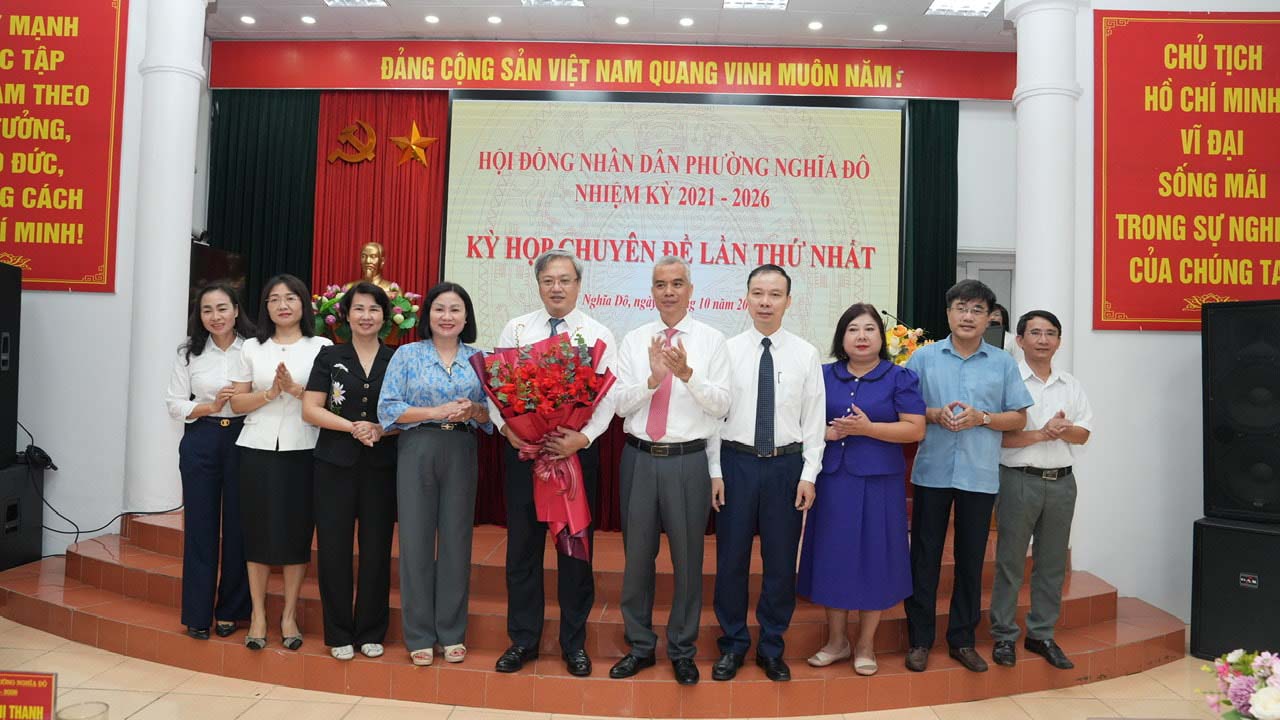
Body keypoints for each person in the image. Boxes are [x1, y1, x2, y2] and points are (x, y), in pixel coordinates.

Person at [489, 249, 616, 677]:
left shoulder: (596, 333)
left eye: (564, 280)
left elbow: (607, 397)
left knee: (574, 555)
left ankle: (573, 645)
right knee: (522, 553)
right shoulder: (517, 328)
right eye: (548, 280)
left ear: (578, 285)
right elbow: (496, 386)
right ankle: (522, 641)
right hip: (524, 457)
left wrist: (582, 437)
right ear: (538, 284)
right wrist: (508, 430)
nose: (556, 288)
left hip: (574, 458)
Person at [610, 256, 731, 686]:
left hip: (687, 462)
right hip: (640, 458)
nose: (668, 291)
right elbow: (619, 405)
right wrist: (652, 378)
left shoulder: (712, 340)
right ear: (652, 291)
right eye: (660, 284)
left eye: (677, 283)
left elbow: (721, 405)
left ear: (690, 290)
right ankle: (640, 646)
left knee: (687, 561)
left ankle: (682, 650)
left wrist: (687, 375)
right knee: (637, 560)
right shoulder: (635, 339)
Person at [902, 279, 1032, 674]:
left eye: (977, 310)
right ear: (948, 313)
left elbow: (1019, 416)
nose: (968, 316)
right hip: (932, 472)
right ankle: (920, 640)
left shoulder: (1003, 362)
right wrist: (933, 413)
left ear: (989, 316)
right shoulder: (924, 360)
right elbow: (905, 408)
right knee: (923, 558)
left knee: (971, 560)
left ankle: (961, 640)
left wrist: (983, 418)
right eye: (961, 308)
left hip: (978, 474)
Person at [706, 265, 824, 683]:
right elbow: (713, 417)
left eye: (775, 294)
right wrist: (715, 471)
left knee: (779, 564)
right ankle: (733, 645)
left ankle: (772, 646)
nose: (765, 302)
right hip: (736, 466)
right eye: (758, 293)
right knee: (731, 561)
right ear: (746, 298)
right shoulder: (727, 349)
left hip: (785, 468)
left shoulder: (806, 354)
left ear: (788, 302)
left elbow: (814, 421)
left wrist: (809, 475)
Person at [797, 303, 925, 676]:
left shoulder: (899, 378)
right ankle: (837, 641)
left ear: (880, 338)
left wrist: (869, 429)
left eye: (869, 329)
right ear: (842, 337)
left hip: (879, 484)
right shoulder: (822, 375)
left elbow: (915, 429)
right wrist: (825, 432)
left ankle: (865, 644)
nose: (862, 336)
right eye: (853, 329)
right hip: (833, 481)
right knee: (832, 559)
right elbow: (800, 422)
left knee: (875, 560)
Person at [378, 281, 491, 666]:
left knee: (458, 542)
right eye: (439, 309)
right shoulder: (407, 355)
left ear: (466, 317)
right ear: (427, 315)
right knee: (415, 542)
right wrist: (435, 412)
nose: (447, 316)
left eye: (455, 310)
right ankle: (420, 635)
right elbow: (388, 408)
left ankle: (452, 633)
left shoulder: (480, 359)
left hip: (461, 449)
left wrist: (474, 412)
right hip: (417, 447)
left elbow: (494, 413)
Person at [229, 274, 331, 651]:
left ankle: (288, 615)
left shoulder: (321, 346)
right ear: (265, 307)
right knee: (255, 532)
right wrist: (271, 392)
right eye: (274, 299)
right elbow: (237, 404)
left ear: (303, 304)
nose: (283, 305)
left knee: (295, 534)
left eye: (290, 298)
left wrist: (295, 390)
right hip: (255, 447)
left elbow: (332, 401)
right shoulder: (251, 348)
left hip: (304, 449)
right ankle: (258, 615)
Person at [990, 310, 1093, 670]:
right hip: (1019, 480)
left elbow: (1084, 434)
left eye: (1051, 333)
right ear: (1019, 340)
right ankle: (1003, 635)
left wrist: (1063, 430)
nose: (1043, 340)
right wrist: (1042, 433)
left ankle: (1041, 633)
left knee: (1051, 565)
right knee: (1010, 563)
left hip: (1063, 483)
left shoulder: (1071, 384)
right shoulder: (1008, 381)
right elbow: (999, 438)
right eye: (1035, 333)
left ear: (1059, 341)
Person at [301, 282, 398, 662]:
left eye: (374, 309)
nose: (366, 316)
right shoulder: (330, 356)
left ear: (385, 317)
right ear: (346, 315)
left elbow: (404, 413)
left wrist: (380, 428)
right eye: (359, 309)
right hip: (334, 465)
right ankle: (338, 631)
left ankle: (372, 630)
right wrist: (354, 426)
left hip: (382, 466)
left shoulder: (397, 359)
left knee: (376, 549)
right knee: (335, 549)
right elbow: (311, 408)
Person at [165, 283, 256, 641]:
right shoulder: (189, 352)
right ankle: (197, 614)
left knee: (238, 528)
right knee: (200, 529)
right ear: (199, 315)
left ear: (236, 310)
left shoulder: (253, 348)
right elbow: (174, 403)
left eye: (222, 308)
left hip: (243, 438)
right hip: (201, 438)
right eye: (207, 310)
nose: (215, 317)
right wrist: (209, 407)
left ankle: (231, 610)